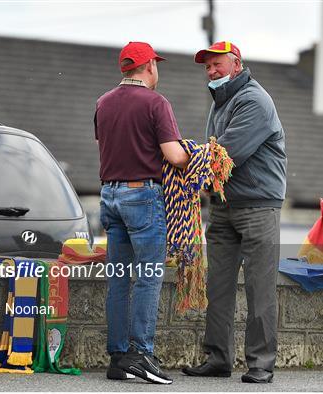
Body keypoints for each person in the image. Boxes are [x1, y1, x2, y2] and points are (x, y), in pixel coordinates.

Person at [182, 41, 287, 384]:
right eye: (207, 67)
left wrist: (178, 160)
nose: (211, 71)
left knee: (260, 288)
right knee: (218, 286)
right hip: (225, 206)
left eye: (217, 65)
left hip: (258, 206)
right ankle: (218, 358)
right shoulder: (221, 103)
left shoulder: (254, 100)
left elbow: (226, 154)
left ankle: (260, 364)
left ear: (236, 64)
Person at [94, 41, 189, 385]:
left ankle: (119, 357)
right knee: (149, 275)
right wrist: (200, 154)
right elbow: (174, 156)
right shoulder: (156, 102)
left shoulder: (103, 103)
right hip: (142, 195)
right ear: (149, 66)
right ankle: (142, 354)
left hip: (110, 194)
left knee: (118, 278)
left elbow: (104, 146)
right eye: (156, 65)